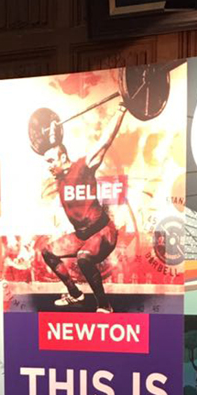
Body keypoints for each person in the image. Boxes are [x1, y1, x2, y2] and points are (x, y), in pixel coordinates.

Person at [41, 102, 127, 312]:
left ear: (63, 157)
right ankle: (75, 294)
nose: (49, 166)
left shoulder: (83, 166)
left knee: (84, 259)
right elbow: (48, 143)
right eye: (47, 162)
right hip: (82, 235)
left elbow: (105, 141)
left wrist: (121, 109)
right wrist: (51, 132)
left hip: (103, 232)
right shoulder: (59, 177)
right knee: (47, 252)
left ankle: (104, 306)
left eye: (51, 161)